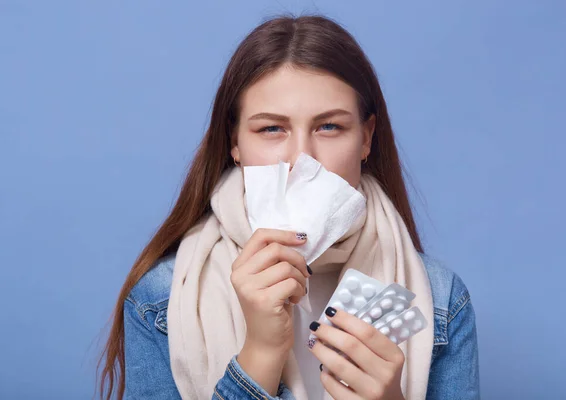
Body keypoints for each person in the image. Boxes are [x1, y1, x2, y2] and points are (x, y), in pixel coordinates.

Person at [97, 14, 480, 400]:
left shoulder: (440, 298)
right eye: (271, 129)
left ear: (366, 140)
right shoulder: (161, 300)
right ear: (235, 144)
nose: (302, 159)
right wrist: (260, 353)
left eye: (329, 127)